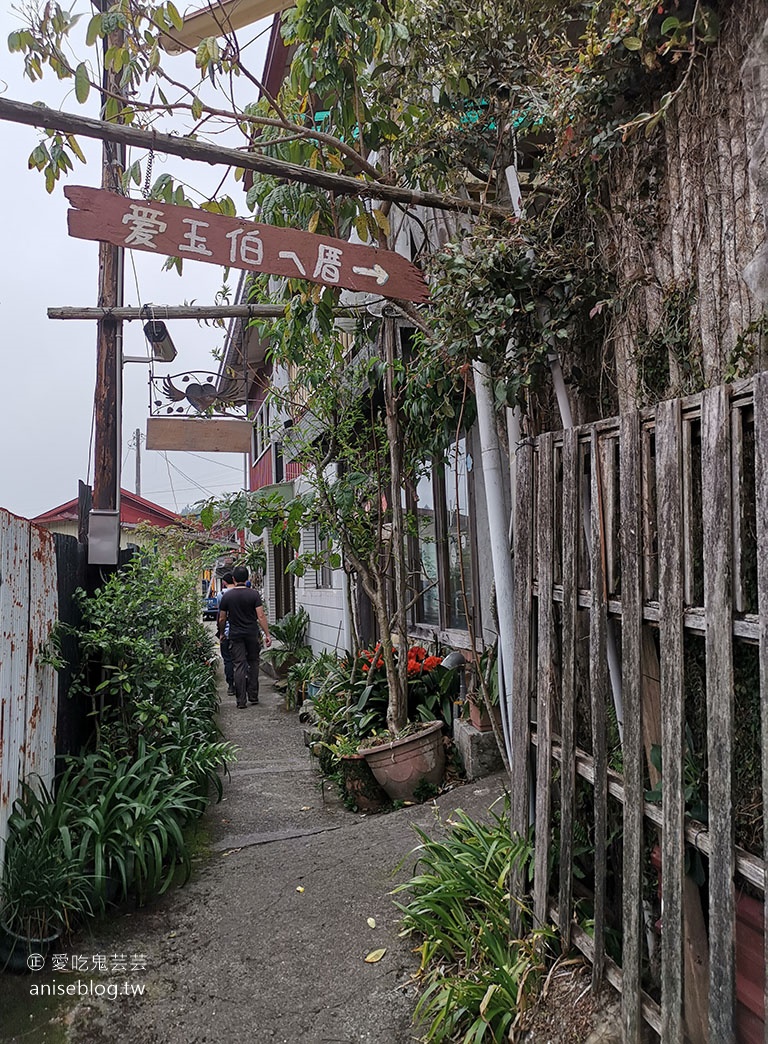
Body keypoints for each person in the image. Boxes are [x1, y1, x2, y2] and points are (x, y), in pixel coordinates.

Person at [217, 565, 272, 708]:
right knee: (253, 663)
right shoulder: (254, 594)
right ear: (247, 578)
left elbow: (222, 618)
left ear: (234, 579)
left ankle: (241, 701)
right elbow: (260, 615)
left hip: (235, 635)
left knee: (239, 665)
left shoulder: (227, 596)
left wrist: (222, 633)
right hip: (252, 633)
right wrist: (267, 634)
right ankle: (253, 696)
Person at [217, 572, 236, 696]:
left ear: (224, 582)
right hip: (241, 631)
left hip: (227, 631)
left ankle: (231, 685)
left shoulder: (221, 594)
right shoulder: (245, 592)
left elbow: (221, 616)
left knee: (228, 660)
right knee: (240, 660)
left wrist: (221, 633)